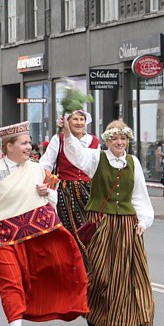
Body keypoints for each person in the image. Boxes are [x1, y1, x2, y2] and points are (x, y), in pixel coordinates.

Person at [0, 121, 88, 326]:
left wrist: (47, 191)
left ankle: (25, 321)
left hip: (33, 234)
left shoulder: (38, 168)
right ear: (9, 146)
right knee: (10, 282)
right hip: (0, 235)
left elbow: (54, 195)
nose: (29, 147)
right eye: (24, 143)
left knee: (32, 278)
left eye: (29, 142)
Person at [61, 118, 154, 326]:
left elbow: (140, 195)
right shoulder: (96, 157)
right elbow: (76, 155)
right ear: (107, 140)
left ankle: (118, 322)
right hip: (102, 222)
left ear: (128, 140)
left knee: (123, 275)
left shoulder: (133, 162)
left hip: (126, 223)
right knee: (100, 272)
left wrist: (142, 221)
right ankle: (92, 308)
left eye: (123, 138)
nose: (119, 142)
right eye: (115, 138)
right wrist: (67, 132)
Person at [39, 110, 100, 259]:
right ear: (67, 122)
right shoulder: (59, 139)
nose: (79, 122)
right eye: (75, 119)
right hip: (67, 191)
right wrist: (42, 183)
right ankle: (77, 263)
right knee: (72, 229)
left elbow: (97, 166)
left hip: (89, 190)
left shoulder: (94, 141)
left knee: (91, 228)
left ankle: (91, 266)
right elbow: (46, 163)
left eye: (82, 119)